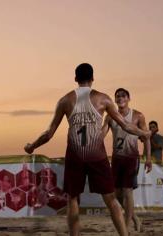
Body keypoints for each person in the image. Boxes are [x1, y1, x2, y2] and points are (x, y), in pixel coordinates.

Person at [24, 63, 150, 236]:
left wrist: (32, 146)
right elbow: (126, 125)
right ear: (93, 79)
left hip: (75, 155)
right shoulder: (103, 99)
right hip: (96, 156)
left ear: (75, 79)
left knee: (73, 199)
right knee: (111, 199)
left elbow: (49, 133)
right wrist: (145, 133)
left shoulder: (65, 100)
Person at [102, 88, 152, 232]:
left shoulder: (137, 116)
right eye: (117, 96)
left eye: (123, 96)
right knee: (116, 194)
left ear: (129, 98)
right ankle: (135, 218)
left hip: (131, 157)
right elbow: (102, 133)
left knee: (127, 191)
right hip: (117, 158)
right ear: (115, 100)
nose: (120, 98)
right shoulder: (110, 116)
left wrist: (148, 158)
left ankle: (126, 226)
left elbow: (146, 137)